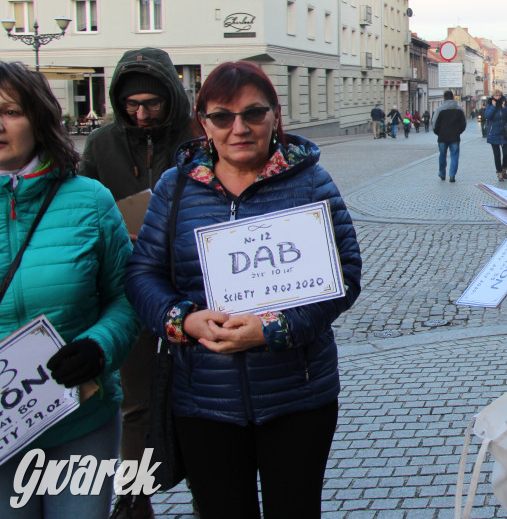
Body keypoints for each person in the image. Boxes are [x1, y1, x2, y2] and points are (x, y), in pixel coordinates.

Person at [124, 61, 362, 518]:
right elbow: (142, 275)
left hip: (298, 394)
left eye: (254, 113)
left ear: (275, 115)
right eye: (222, 116)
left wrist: (274, 330)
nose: (239, 128)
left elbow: (344, 276)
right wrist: (184, 320)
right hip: (203, 398)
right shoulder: (176, 189)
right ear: (203, 121)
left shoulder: (310, 183)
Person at [0, 61, 137, 517]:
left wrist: (99, 347)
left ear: (39, 119)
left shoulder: (89, 199)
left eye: (10, 111)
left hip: (81, 419)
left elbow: (127, 296)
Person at [79, 47, 195, 519]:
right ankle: (133, 500)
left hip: (193, 285)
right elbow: (84, 207)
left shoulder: (197, 136)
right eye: (132, 105)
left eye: (152, 104)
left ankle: (211, 494)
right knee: (137, 405)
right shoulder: (103, 144)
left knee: (203, 403)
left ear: (171, 97)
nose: (142, 114)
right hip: (132, 287)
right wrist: (113, 233)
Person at [433, 90, 467, 182]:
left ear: (444, 98)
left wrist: (438, 132)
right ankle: (452, 175)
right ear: (453, 98)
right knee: (454, 156)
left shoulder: (440, 109)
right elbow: (463, 124)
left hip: (442, 136)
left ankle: (442, 173)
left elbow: (434, 123)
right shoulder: (459, 109)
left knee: (442, 155)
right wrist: (458, 131)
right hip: (454, 136)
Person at [484, 90, 507, 181]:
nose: (498, 97)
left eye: (499, 95)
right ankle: (499, 173)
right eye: (496, 96)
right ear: (493, 96)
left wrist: (505, 107)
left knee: (506, 154)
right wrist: (493, 107)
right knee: (496, 155)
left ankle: (504, 168)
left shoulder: (504, 104)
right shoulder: (490, 105)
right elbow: (487, 116)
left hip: (505, 132)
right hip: (494, 132)